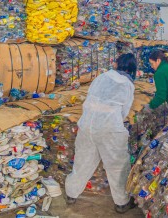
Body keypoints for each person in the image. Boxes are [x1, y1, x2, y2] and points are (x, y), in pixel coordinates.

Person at [65, 53, 137, 213]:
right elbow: (124, 111)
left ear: (117, 64)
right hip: (109, 129)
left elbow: (90, 97)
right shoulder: (127, 84)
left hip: (87, 124)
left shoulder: (102, 77)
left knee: (83, 161)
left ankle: (71, 193)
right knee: (117, 166)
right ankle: (121, 202)